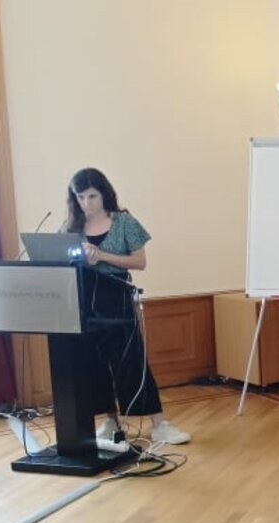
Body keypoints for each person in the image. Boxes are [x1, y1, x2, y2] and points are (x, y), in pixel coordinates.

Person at [66, 168, 190, 445]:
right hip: (84, 300)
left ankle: (159, 423)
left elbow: (139, 262)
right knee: (95, 364)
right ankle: (111, 421)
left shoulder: (124, 221)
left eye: (92, 196)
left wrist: (102, 256)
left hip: (117, 298)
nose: (86, 203)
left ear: (104, 193)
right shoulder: (71, 227)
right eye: (80, 197)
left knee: (132, 361)